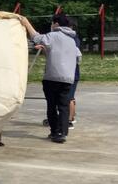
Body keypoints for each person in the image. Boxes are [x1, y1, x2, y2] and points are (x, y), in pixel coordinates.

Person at [19, 13, 82, 143]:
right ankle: (62, 133)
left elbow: (36, 37)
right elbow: (78, 57)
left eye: (52, 23)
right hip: (67, 79)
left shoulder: (52, 36)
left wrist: (26, 23)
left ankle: (55, 132)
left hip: (52, 77)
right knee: (63, 106)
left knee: (52, 106)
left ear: (56, 24)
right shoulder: (71, 40)